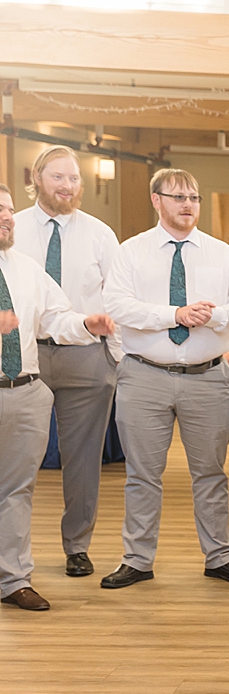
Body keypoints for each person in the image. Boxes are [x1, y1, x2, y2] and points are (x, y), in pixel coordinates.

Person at [100, 168, 229, 590]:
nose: (188, 205)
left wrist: (214, 315)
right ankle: (137, 559)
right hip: (143, 376)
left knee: (210, 472)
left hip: (206, 378)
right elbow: (118, 306)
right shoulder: (131, 252)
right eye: (178, 197)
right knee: (142, 474)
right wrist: (174, 315)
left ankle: (220, 555)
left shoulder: (222, 254)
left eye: (194, 197)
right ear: (157, 201)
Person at [0, 183, 115, 611]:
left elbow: (55, 318)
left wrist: (87, 324)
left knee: (16, 491)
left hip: (23, 393)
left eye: (10, 209)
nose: (8, 216)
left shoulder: (27, 269)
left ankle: (13, 579)